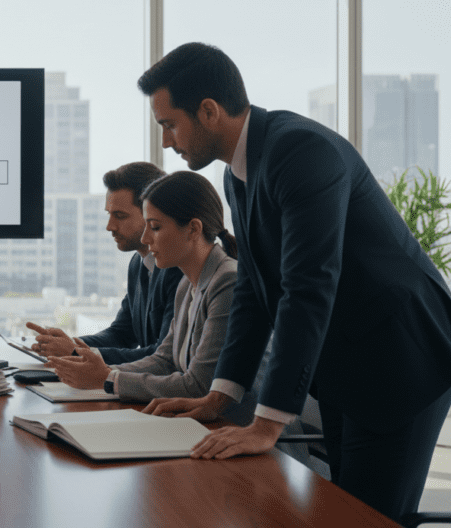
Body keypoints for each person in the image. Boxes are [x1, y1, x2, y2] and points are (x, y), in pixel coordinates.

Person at [136, 42, 451, 522]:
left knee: (368, 518)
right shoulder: (238, 175)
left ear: (208, 111)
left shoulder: (300, 151)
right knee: (340, 510)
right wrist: (221, 395)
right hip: (349, 364)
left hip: (399, 360)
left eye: (169, 124)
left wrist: (267, 424)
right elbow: (254, 292)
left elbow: (307, 288)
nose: (166, 142)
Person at [50, 171, 239, 407]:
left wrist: (108, 378)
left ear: (193, 229)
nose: (146, 238)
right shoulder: (186, 285)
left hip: (231, 428)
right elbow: (164, 360)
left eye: (155, 227)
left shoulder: (227, 282)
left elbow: (198, 386)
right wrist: (96, 373)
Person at [27, 162, 183, 365]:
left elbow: (162, 357)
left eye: (120, 216)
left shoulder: (179, 269)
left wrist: (75, 351)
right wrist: (66, 344)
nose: (110, 226)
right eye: (109, 214)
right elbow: (121, 334)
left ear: (151, 212)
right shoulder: (138, 264)